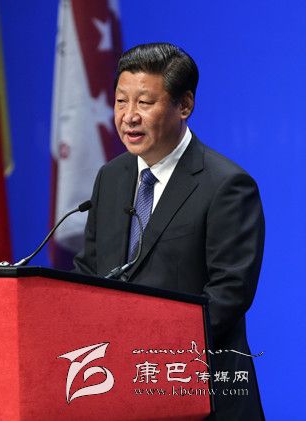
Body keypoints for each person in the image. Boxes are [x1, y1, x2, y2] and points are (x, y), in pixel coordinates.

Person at [73, 43, 265, 420]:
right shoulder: (111, 176)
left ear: (184, 105)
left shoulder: (226, 185)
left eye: (144, 103)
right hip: (118, 389)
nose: (129, 116)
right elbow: (89, 271)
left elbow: (228, 295)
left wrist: (143, 346)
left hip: (198, 392)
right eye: (121, 101)